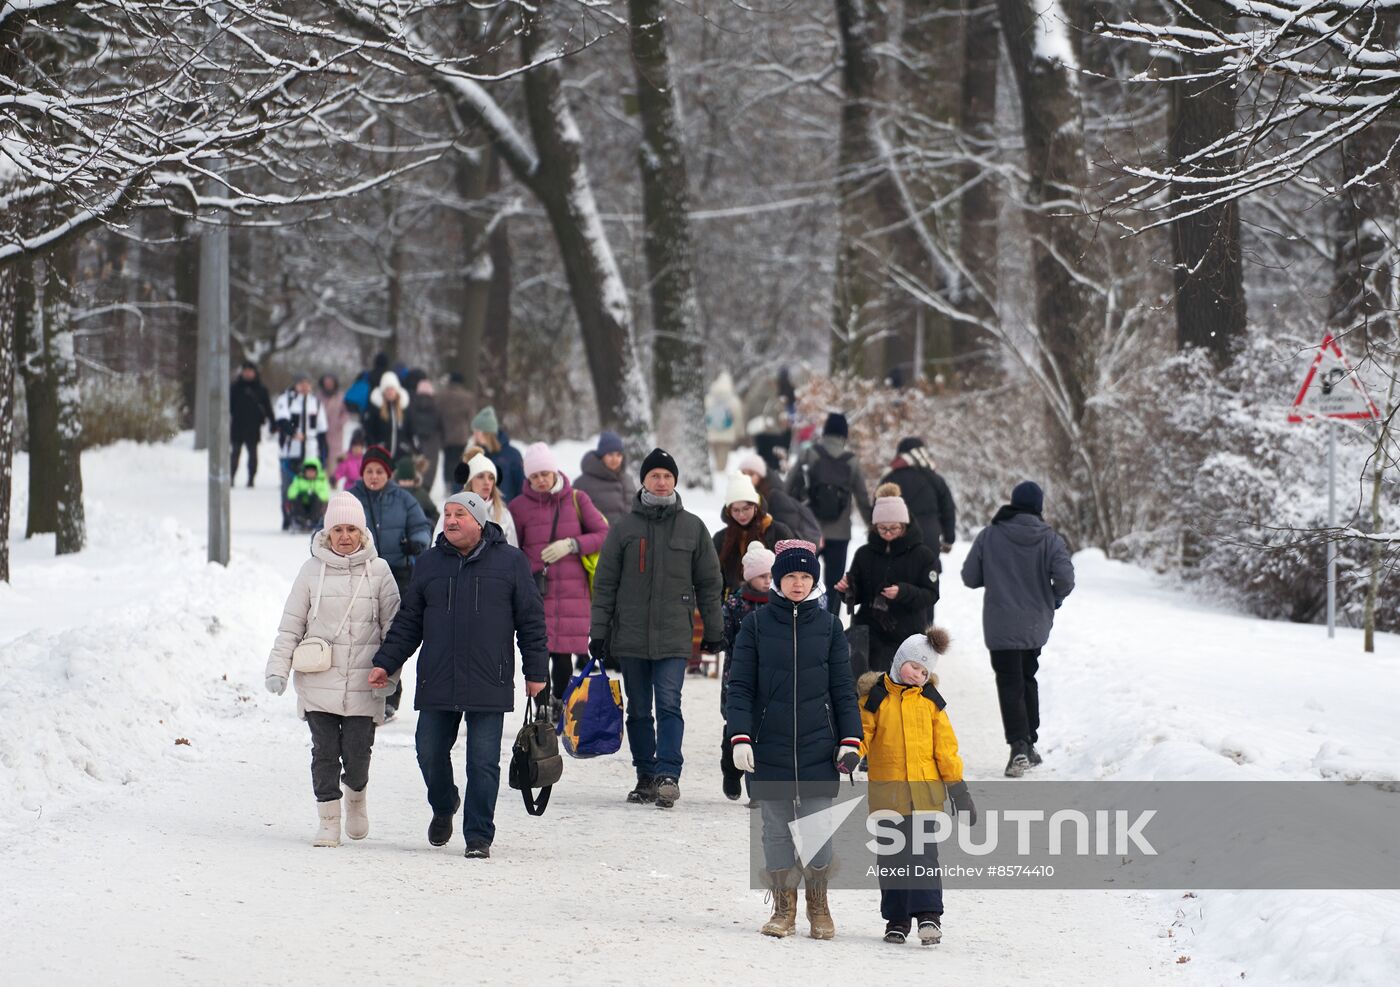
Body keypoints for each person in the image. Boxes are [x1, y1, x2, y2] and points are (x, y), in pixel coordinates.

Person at [367, 492, 548, 859]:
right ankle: (444, 803)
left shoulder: (512, 562)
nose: (450, 520)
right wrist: (386, 661)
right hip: (439, 676)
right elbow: (410, 621)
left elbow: (531, 621)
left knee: (482, 762)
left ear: (479, 522)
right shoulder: (430, 563)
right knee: (429, 751)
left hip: (488, 677)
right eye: (447, 514)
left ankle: (479, 835)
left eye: (459, 515)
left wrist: (537, 672)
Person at [725, 540, 863, 940]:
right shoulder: (755, 625)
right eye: (790, 576)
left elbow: (842, 688)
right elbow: (740, 688)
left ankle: (818, 907)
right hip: (769, 743)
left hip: (820, 744)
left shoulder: (829, 626)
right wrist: (740, 737)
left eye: (805, 576)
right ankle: (784, 907)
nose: (798, 584)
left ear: (814, 581)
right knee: (776, 829)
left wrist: (850, 738)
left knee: (819, 827)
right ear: (778, 581)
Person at [589, 448, 724, 809]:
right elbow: (605, 584)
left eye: (667, 476)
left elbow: (710, 583)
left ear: (675, 481)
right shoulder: (624, 528)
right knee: (637, 709)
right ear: (643, 481)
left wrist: (714, 629)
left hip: (674, 635)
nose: (661, 481)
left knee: (668, 703)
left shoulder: (693, 527)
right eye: (654, 476)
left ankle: (668, 774)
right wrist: (599, 632)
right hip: (630, 635)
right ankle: (645, 775)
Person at [264, 492, 401, 847]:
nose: (344, 536)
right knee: (324, 752)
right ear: (326, 534)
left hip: (363, 684)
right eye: (337, 529)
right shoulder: (310, 572)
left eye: (351, 529)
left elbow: (395, 631)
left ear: (362, 532)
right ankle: (328, 819)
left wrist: (391, 676)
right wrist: (277, 668)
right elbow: (291, 626)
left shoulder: (381, 572)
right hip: (318, 683)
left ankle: (356, 797)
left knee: (357, 756)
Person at [857, 629, 975, 945]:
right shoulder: (875, 698)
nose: (918, 675)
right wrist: (848, 755)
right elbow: (862, 735)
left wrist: (959, 790)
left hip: (925, 797)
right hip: (888, 797)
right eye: (914, 666)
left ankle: (928, 917)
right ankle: (896, 920)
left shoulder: (932, 704)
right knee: (891, 857)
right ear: (899, 661)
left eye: (925, 671)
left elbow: (946, 751)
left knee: (923, 856)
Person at [961, 480, 1075, 777]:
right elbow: (1065, 578)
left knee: (1009, 681)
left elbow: (970, 577)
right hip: (1035, 623)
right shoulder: (1050, 539)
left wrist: (998, 574)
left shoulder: (990, 535)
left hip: (1000, 624)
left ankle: (1018, 747)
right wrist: (1053, 599)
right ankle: (1029, 743)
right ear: (1039, 506)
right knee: (1027, 677)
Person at [508, 443, 610, 711]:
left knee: (564, 653)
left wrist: (572, 544)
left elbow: (603, 534)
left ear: (555, 472)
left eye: (545, 473)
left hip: (571, 591)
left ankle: (560, 702)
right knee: (540, 651)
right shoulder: (518, 507)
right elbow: (512, 547)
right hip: (536, 589)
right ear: (527, 478)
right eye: (534, 476)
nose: (541, 480)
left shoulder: (577, 499)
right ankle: (542, 705)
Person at [346, 444, 432, 720]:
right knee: (360, 635)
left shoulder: (404, 499)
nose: (374, 476)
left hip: (397, 574)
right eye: (369, 471)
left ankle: (389, 694)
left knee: (392, 635)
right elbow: (327, 528)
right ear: (362, 473)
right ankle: (358, 691)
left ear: (389, 474)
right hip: (359, 574)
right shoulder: (350, 498)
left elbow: (421, 527)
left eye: (379, 471)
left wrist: (416, 544)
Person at [834, 487, 939, 675]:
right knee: (865, 689)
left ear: (905, 525)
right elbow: (856, 595)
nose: (888, 533)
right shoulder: (864, 553)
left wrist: (903, 592)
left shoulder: (923, 555)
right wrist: (847, 589)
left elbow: (931, 594)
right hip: (869, 633)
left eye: (894, 528)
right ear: (874, 526)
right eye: (882, 528)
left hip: (906, 634)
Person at [785, 413, 873, 613]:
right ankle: (830, 624)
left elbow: (788, 487)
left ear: (824, 433)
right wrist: (873, 527)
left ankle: (803, 619)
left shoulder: (810, 454)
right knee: (834, 584)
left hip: (809, 531)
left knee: (804, 579)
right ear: (844, 435)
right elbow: (862, 497)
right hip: (840, 533)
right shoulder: (852, 461)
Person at [719, 542, 774, 802]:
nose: (768, 581)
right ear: (750, 577)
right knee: (736, 726)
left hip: (769, 676)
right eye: (763, 576)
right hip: (738, 676)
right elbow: (724, 636)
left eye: (772, 576)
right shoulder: (735, 603)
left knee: (764, 731)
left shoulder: (780, 604)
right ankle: (731, 771)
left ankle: (758, 790)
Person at [713, 472, 794, 597]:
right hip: (733, 604)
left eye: (746, 509)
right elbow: (715, 578)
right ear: (729, 512)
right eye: (735, 510)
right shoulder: (721, 539)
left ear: (756, 507)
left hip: (773, 601)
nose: (741, 515)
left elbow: (793, 569)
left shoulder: (778, 532)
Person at [880, 436, 957, 565]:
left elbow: (877, 512)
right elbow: (948, 510)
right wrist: (949, 539)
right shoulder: (935, 479)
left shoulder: (890, 478)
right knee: (927, 580)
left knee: (897, 581)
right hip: (929, 540)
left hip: (897, 540)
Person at [274, 374, 329, 531]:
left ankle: (311, 518)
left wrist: (324, 455)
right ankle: (288, 518)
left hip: (310, 453)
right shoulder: (286, 400)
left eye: (307, 383)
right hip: (290, 452)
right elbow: (282, 421)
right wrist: (293, 433)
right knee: (289, 487)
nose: (304, 387)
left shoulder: (316, 403)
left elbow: (322, 431)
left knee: (313, 487)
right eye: (301, 383)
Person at [737, 454, 820, 545]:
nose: (746, 478)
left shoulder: (775, 496)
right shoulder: (744, 495)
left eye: (751, 474)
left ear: (761, 476)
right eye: (743, 474)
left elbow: (786, 530)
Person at [454, 452, 518, 547]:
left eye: (491, 478)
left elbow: (513, 553)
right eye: (480, 476)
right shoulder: (453, 512)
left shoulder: (504, 515)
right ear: (470, 481)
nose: (487, 482)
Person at [573, 431, 635, 525]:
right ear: (601, 456)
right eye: (610, 454)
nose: (615, 459)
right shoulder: (582, 484)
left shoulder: (628, 480)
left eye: (618, 455)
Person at [230, 361, 274, 487]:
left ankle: (251, 479)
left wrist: (273, 423)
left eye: (250, 371)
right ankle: (231, 477)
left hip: (253, 427)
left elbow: (268, 407)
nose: (248, 373)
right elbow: (229, 406)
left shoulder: (261, 389)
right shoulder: (234, 388)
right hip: (237, 426)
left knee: (252, 454)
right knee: (235, 453)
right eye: (245, 371)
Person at [471, 405, 524, 502]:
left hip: (505, 512)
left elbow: (521, 487)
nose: (474, 435)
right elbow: (461, 485)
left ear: (487, 433)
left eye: (477, 431)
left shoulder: (513, 455)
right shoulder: (475, 455)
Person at [438, 372, 473, 494]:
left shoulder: (442, 396)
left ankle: (448, 485)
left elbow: (439, 415)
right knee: (459, 460)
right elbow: (470, 416)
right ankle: (457, 485)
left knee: (448, 461)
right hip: (461, 435)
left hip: (446, 435)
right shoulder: (467, 397)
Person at [407, 378, 444, 493]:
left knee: (416, 466)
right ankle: (426, 489)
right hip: (432, 442)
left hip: (416, 441)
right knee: (430, 468)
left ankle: (415, 487)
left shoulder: (411, 405)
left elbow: (409, 424)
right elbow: (441, 425)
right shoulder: (436, 406)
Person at [705, 371, 745, 472]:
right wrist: (739, 432)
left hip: (712, 432)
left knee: (716, 455)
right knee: (723, 456)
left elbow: (705, 415)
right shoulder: (733, 400)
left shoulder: (709, 398)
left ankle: (718, 471)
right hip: (727, 434)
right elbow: (738, 417)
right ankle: (721, 472)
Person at [365, 371, 411, 458]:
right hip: (380, 454)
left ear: (396, 390)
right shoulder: (376, 409)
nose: (390, 392)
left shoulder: (404, 409)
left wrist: (407, 447)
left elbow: (410, 431)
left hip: (401, 455)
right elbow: (369, 432)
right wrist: (373, 448)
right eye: (387, 389)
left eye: (392, 389)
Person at [286, 456, 331, 531]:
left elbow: (325, 493)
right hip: (302, 504)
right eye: (308, 471)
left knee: (317, 499)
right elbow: (292, 490)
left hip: (316, 505)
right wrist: (302, 493)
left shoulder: (321, 481)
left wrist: (315, 494)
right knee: (296, 499)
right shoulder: (299, 479)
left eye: (312, 471)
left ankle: (314, 520)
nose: (310, 473)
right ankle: (300, 519)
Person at [395, 457, 439, 530]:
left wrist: (430, 524)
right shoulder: (391, 494)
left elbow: (434, 513)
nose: (406, 483)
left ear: (414, 480)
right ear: (398, 480)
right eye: (403, 480)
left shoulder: (421, 494)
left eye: (409, 480)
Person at [318, 374, 349, 462]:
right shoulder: (318, 397)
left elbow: (346, 412)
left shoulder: (341, 397)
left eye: (330, 382)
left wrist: (340, 423)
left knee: (334, 461)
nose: (328, 384)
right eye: (326, 382)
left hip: (336, 433)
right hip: (321, 434)